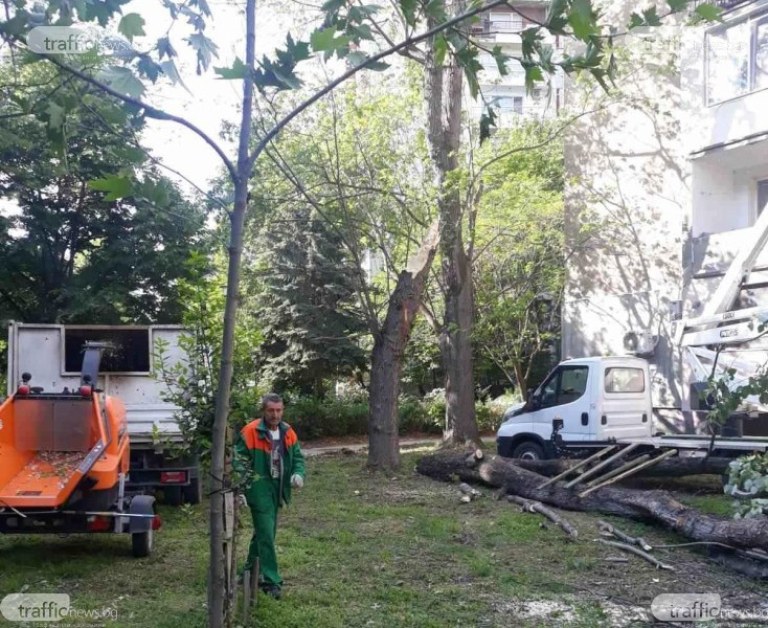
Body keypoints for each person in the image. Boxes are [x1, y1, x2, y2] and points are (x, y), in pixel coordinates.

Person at [234, 393, 305, 600]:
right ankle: (271, 581)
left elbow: (298, 457)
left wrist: (299, 473)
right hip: (259, 486)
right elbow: (239, 462)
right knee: (266, 533)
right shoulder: (250, 431)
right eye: (271, 411)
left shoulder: (287, 432)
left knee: (265, 532)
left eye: (279, 410)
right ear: (263, 411)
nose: (275, 415)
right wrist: (242, 487)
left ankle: (248, 571)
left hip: (278, 486)